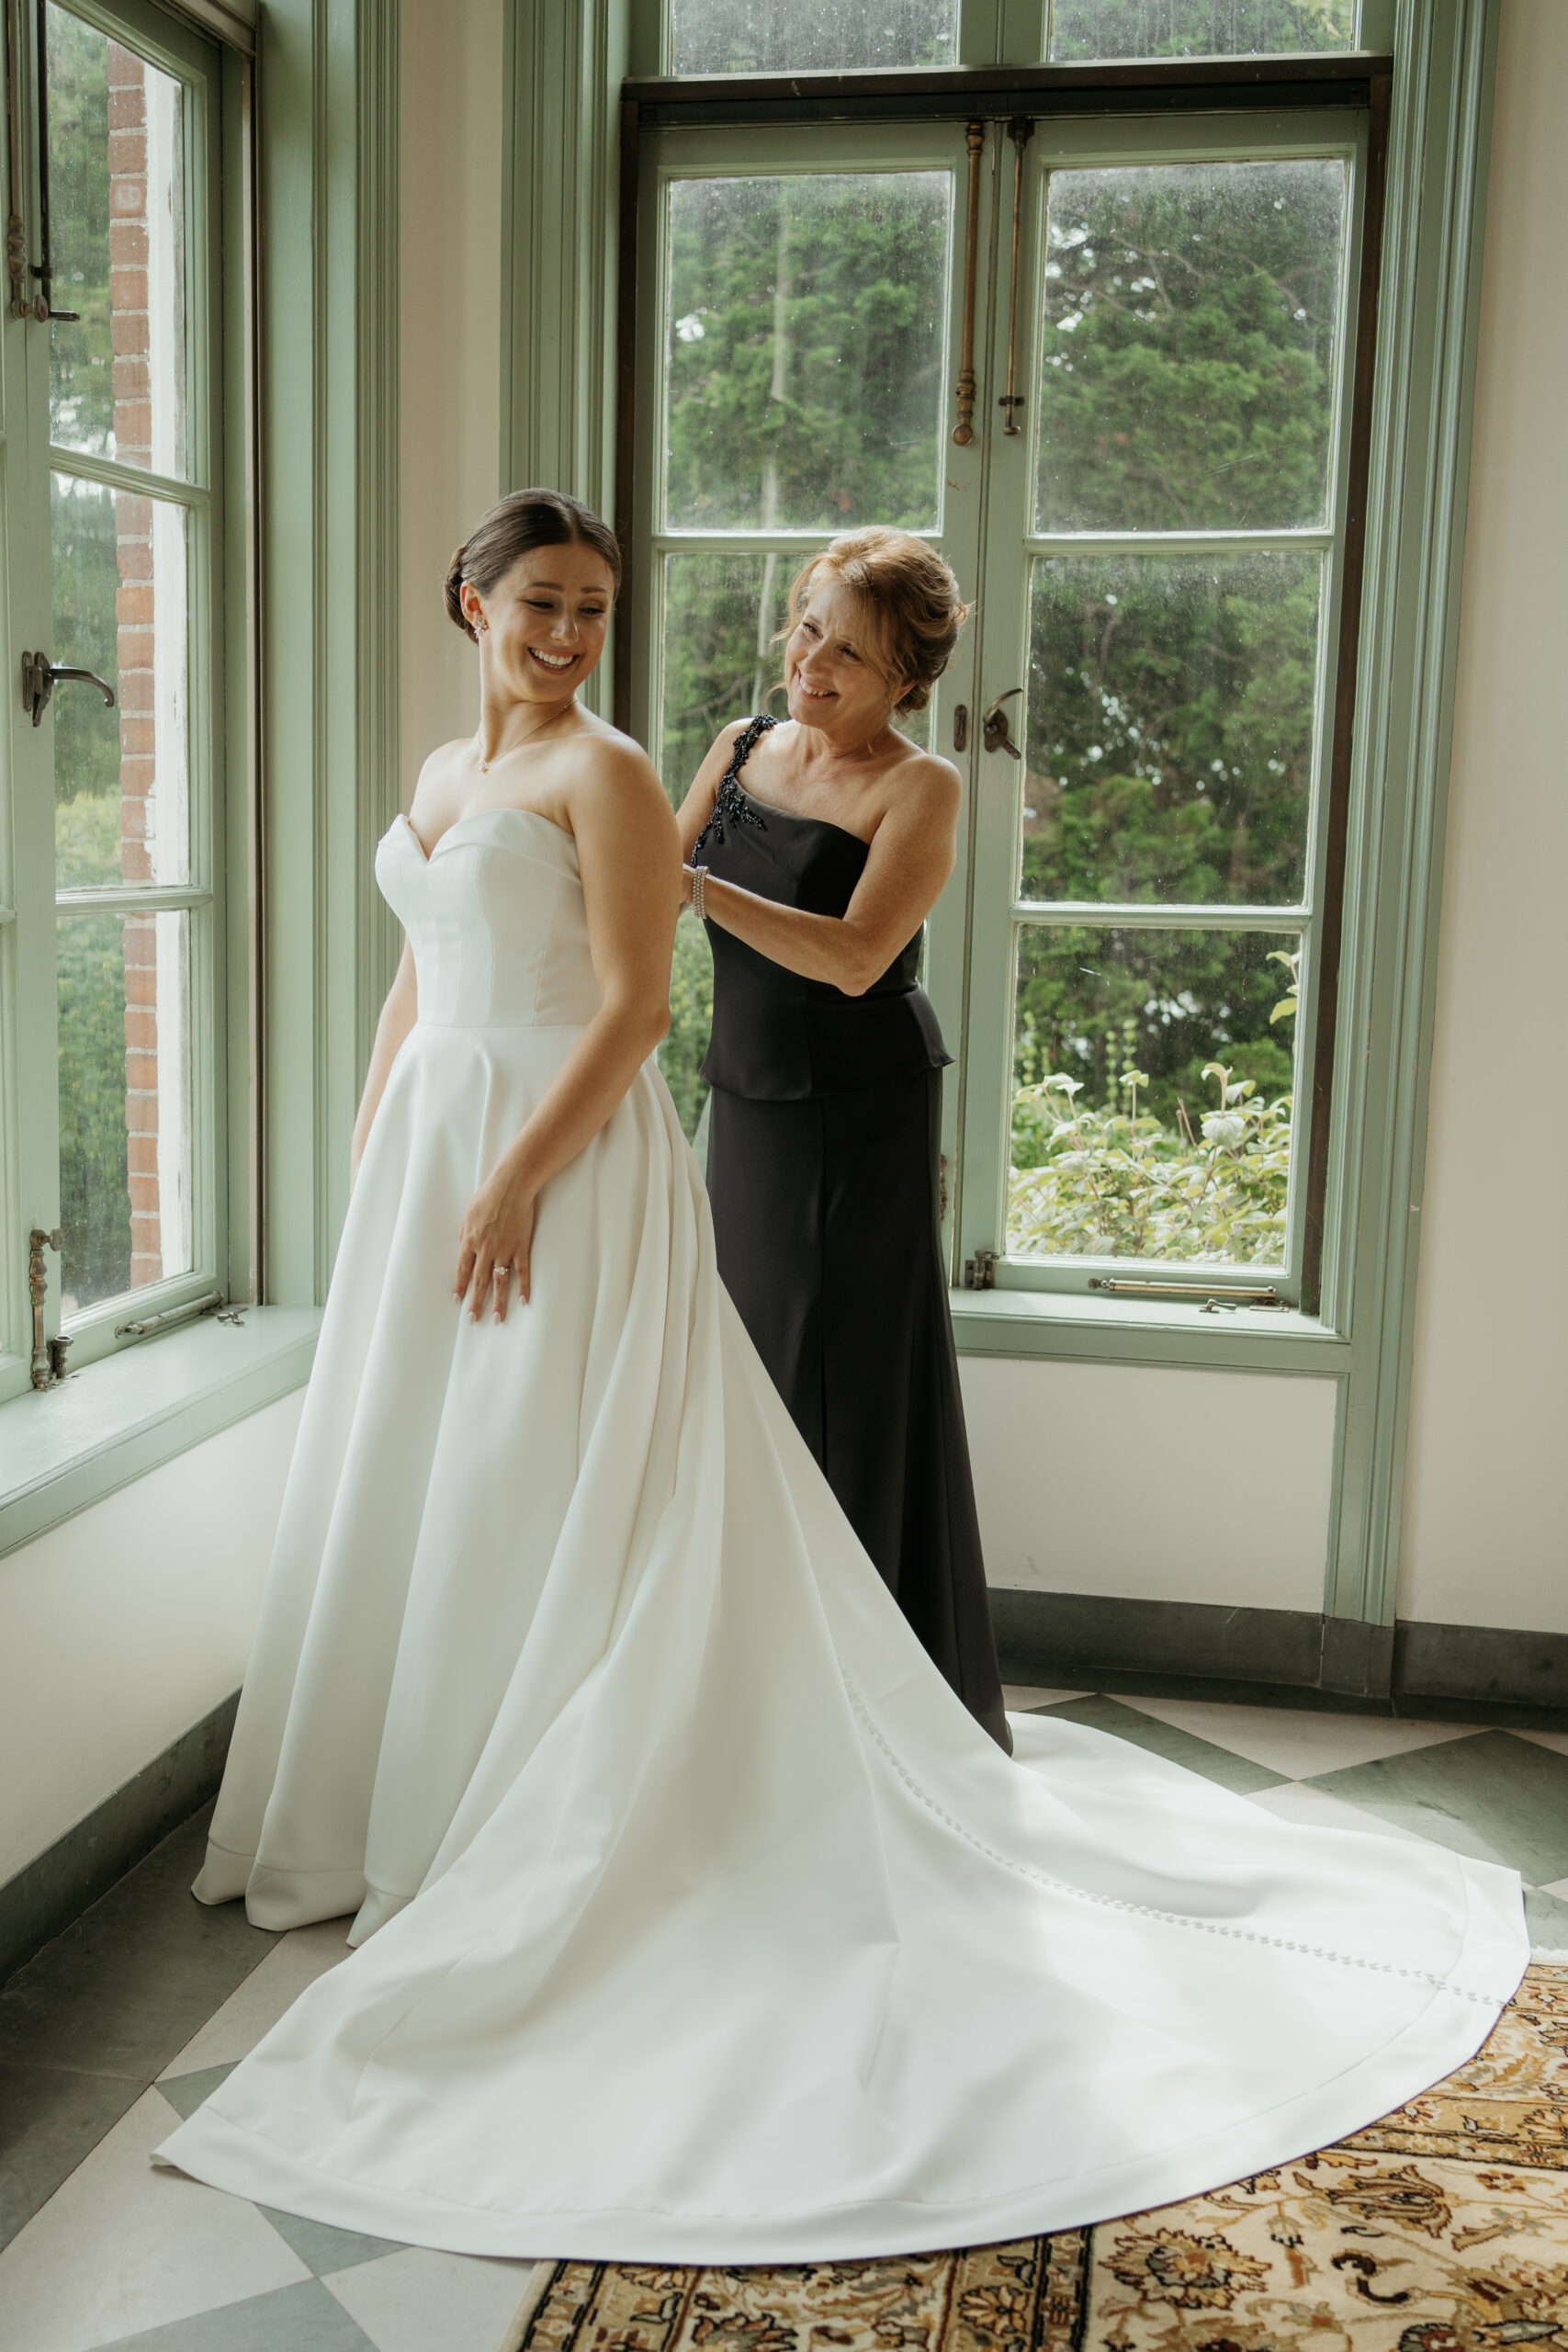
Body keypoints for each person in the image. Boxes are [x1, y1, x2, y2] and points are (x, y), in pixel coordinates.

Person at [157, 488, 1527, 2265]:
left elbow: (658, 995)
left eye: (594, 608)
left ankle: (596, 1783)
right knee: (446, 1465)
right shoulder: (464, 774)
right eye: (541, 604)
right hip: (493, 1140)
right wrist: (377, 1147)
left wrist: (508, 1171)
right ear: (469, 600)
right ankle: (401, 1779)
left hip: (675, 1130)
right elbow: (423, 976)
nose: (570, 634)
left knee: (611, 1450)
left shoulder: (658, 778)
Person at [678, 528, 1007, 1749]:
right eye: (808, 627)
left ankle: (855, 1698)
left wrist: (703, 891)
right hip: (746, 1098)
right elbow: (649, 878)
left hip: (856, 1115)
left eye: (851, 654)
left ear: (906, 682)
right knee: (749, 1369)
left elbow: (864, 956)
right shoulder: (740, 747)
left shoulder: (923, 786)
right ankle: (753, 1669)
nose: (812, 663)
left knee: (838, 1380)